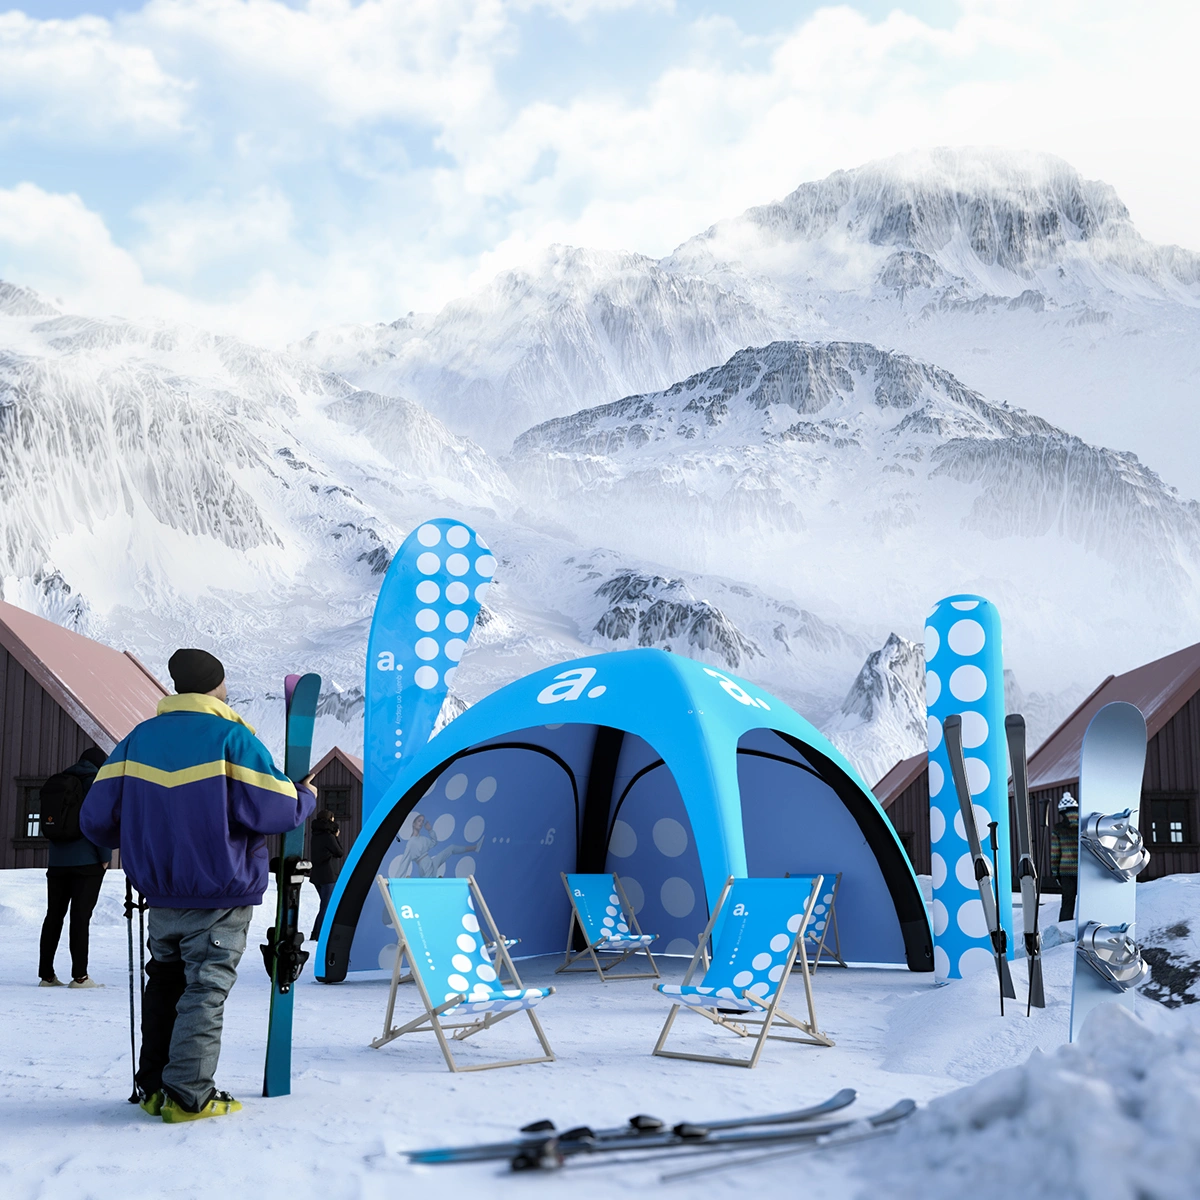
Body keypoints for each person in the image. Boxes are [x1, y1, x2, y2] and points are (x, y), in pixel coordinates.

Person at [81, 648, 316, 1124]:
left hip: (160, 893)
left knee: (166, 984)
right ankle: (189, 1096)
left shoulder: (137, 740)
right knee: (204, 990)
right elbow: (275, 810)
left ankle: (153, 1087)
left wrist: (143, 836)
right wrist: (305, 794)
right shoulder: (231, 738)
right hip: (219, 892)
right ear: (217, 684)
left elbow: (95, 819)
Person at [38, 746, 112, 988]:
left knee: (54, 916)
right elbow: (98, 822)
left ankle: (46, 975)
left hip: (57, 862)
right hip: (87, 862)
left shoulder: (61, 781)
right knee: (80, 918)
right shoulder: (94, 783)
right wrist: (104, 855)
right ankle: (79, 977)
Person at [390, 811, 482, 878]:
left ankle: (475, 847)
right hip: (424, 866)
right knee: (429, 885)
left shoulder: (423, 839)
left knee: (451, 848)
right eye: (419, 821)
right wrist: (396, 882)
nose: (421, 823)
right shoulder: (411, 843)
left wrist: (430, 830)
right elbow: (404, 863)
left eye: (422, 821)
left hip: (431, 862)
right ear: (413, 824)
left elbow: (434, 842)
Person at [308, 809, 343, 942]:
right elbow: (339, 852)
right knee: (327, 906)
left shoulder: (315, 835)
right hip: (329, 874)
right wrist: (336, 836)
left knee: (324, 904)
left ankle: (316, 933)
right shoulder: (329, 836)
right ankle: (320, 934)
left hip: (317, 875)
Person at [1051, 791, 1079, 922]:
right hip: (1086, 870)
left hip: (1066, 871)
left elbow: (1055, 854)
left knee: (1067, 902)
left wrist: (1056, 873)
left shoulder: (1058, 829)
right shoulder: (1085, 827)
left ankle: (1064, 929)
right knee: (1088, 902)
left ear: (1061, 812)